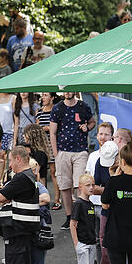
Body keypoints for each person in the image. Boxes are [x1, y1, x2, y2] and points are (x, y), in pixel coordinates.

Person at [49, 92, 95, 229]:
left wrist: (88, 128)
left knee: (80, 184)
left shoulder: (83, 106)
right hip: (63, 151)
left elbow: (92, 121)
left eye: (70, 90)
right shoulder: (57, 108)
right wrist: (56, 153)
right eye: (65, 90)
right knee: (65, 185)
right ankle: (69, 217)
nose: (67, 93)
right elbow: (52, 132)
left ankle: (82, 216)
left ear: (74, 91)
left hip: (80, 150)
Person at [85, 122, 114, 264]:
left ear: (111, 137)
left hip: (106, 205)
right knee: (96, 240)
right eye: (100, 134)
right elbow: (90, 180)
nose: (102, 137)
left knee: (107, 242)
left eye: (106, 134)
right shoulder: (93, 156)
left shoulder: (114, 155)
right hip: (93, 203)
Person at [93, 139, 119, 264]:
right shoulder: (99, 162)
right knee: (105, 254)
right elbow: (95, 187)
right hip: (106, 212)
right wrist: (110, 189)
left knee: (121, 255)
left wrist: (109, 188)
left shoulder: (126, 165)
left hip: (120, 215)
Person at [71, 173, 98, 264]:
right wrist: (76, 243)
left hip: (91, 241)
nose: (91, 188)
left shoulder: (90, 203)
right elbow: (73, 224)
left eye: (93, 185)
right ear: (80, 187)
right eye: (88, 185)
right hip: (83, 242)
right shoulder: (79, 204)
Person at [29, 158, 51, 264]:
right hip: (22, 231)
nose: (34, 173)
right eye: (31, 170)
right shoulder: (15, 183)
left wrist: (26, 202)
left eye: (35, 170)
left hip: (38, 232)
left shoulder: (39, 185)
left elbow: (46, 199)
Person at [36, 92, 60, 208]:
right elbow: (36, 127)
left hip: (52, 143)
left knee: (54, 171)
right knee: (41, 173)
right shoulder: (39, 111)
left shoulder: (56, 110)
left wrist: (48, 128)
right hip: (41, 145)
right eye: (43, 95)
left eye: (46, 95)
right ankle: (43, 199)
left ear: (52, 97)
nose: (43, 98)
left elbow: (59, 126)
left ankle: (57, 199)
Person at [24, 124, 51, 189]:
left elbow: (36, 172)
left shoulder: (40, 154)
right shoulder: (32, 150)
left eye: (25, 134)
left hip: (38, 184)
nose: (23, 136)